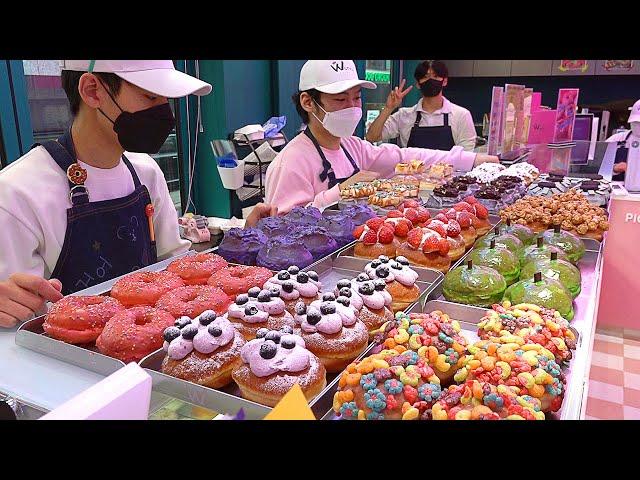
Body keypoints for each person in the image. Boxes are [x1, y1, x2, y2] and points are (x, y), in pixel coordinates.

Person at [0, 60, 272, 329]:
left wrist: (240, 243)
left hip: (154, 341)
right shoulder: (17, 192)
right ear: (93, 90)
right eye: (150, 96)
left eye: (165, 99)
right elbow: (20, 323)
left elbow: (177, 265)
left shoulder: (145, 172)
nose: (164, 114)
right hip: (70, 364)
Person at [265, 60, 498, 213]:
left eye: (356, 98)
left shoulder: (352, 147)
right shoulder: (291, 162)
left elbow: (404, 157)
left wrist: (469, 160)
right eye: (340, 99)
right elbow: (282, 228)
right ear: (308, 102)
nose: (352, 107)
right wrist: (341, 191)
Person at [365, 60, 477, 151]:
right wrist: (388, 108)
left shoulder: (461, 115)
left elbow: (466, 156)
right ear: (418, 84)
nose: (431, 80)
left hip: (449, 177)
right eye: (426, 77)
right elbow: (371, 137)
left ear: (444, 81)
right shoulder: (404, 115)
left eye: (435, 76)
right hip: (410, 178)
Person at [606, 99, 640, 181]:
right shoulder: (616, 139)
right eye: (635, 122)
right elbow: (597, 169)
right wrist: (614, 168)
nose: (638, 126)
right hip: (619, 191)